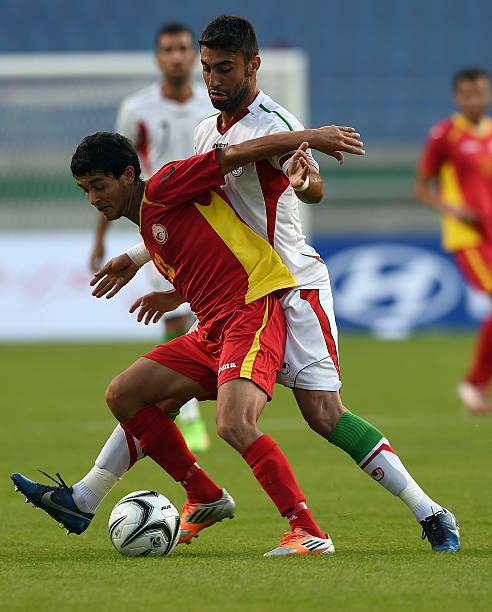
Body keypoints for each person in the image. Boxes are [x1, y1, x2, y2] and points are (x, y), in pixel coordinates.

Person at [14, 15, 460, 555]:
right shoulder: (207, 129)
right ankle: (97, 496)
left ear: (253, 65)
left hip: (292, 285)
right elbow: (199, 220)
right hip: (235, 291)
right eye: (207, 68)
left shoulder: (277, 122)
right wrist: (146, 263)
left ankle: (429, 512)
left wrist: (306, 177)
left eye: (224, 68)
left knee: (323, 415)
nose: (212, 79)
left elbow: (311, 187)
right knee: (150, 395)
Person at [13, 126, 365, 557]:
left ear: (128, 175)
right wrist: (173, 295)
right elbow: (208, 253)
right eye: (85, 190)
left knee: (234, 424)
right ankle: (203, 494)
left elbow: (234, 155)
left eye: (99, 186)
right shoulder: (150, 223)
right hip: (211, 329)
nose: (93, 198)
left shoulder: (165, 185)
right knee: (124, 395)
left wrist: (310, 137)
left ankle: (308, 532)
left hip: (250, 312)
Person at [89, 22, 214, 452]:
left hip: (207, 226)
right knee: (176, 319)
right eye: (168, 49)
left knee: (203, 315)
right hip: (157, 228)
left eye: (183, 48)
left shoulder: (211, 104)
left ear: (193, 55)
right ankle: (188, 415)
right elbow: (112, 174)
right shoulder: (137, 109)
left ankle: (183, 402)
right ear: (158, 58)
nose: (176, 56)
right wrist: (101, 237)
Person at [415, 67, 492, 415]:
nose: (474, 99)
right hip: (468, 236)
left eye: (480, 93)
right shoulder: (445, 134)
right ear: (457, 97)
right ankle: (474, 383)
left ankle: (476, 385)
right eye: (467, 94)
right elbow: (421, 188)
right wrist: (453, 210)